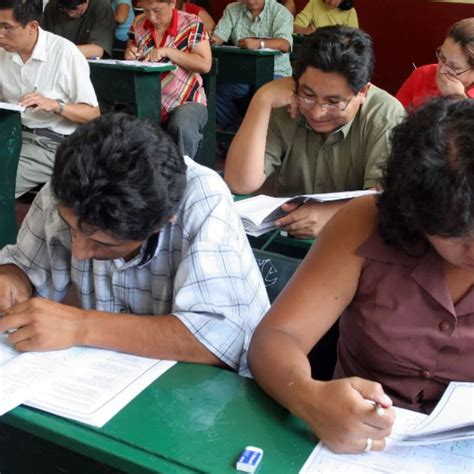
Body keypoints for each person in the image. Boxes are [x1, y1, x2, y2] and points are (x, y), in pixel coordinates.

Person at [248, 95, 474, 453]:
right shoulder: (365, 222)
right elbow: (276, 336)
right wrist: (310, 399)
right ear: (413, 213)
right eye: (454, 236)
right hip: (357, 445)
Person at [0, 113, 270, 376]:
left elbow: (220, 337)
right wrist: (12, 280)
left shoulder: (203, 200)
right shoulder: (69, 188)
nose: (80, 252)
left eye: (102, 243)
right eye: (71, 229)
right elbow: (23, 264)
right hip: (109, 375)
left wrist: (80, 327)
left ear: (162, 222)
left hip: (207, 389)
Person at [225, 26, 405, 239]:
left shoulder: (385, 115)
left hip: (355, 243)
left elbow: (385, 200)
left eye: (333, 102)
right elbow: (240, 183)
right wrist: (262, 100)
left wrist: (334, 215)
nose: (318, 113)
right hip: (289, 237)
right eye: (308, 95)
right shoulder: (285, 101)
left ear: (363, 92)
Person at [0, 0, 99, 198]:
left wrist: (55, 105)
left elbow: (93, 114)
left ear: (32, 26)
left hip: (53, 144)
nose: (0, 35)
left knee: (2, 178)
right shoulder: (4, 52)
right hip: (14, 135)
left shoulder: (64, 53)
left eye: (6, 28)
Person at [125, 0, 211, 159]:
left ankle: (180, 178)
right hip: (149, 99)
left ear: (172, 3)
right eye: (146, 10)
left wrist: (170, 52)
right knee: (120, 123)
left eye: (157, 10)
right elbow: (131, 45)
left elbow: (205, 65)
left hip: (186, 100)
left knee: (181, 124)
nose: (151, 17)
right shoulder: (139, 23)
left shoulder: (191, 23)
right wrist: (130, 52)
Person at [211, 0, 293, 132]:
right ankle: (237, 133)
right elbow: (217, 38)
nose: (250, 1)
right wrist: (209, 39)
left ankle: (261, 140)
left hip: (275, 72)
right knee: (216, 92)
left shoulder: (280, 12)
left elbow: (285, 44)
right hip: (242, 73)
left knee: (264, 96)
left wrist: (259, 43)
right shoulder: (233, 9)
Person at [396, 18, 474, 111]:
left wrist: (459, 100)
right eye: (442, 57)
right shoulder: (422, 75)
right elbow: (396, 118)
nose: (441, 70)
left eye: (454, 67)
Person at [42, 0, 116, 58]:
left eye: (76, 9)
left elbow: (97, 50)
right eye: (65, 10)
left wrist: (61, 51)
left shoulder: (101, 6)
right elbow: (44, 44)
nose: (70, 14)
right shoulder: (52, 6)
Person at [294, 0, 358, 35]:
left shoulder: (350, 12)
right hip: (317, 48)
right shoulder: (315, 3)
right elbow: (294, 26)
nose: (332, 2)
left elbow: (354, 38)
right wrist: (306, 30)